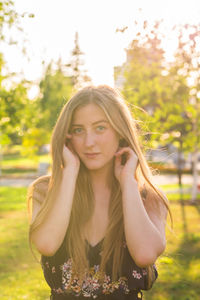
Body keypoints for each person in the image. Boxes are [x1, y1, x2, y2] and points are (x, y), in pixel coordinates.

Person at [27, 85, 171, 300]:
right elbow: (47, 244)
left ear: (120, 132)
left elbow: (144, 254)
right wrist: (70, 172)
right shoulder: (45, 191)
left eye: (100, 128)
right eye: (78, 130)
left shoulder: (149, 198)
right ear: (67, 137)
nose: (88, 142)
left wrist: (128, 184)